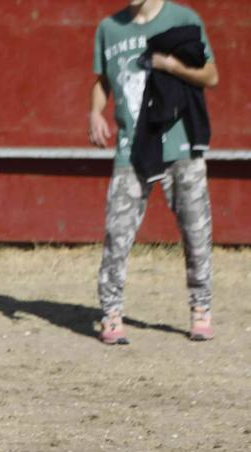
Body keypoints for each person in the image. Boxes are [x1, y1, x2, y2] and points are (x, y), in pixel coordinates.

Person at [88, 0, 219, 345]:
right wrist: (95, 112)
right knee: (117, 233)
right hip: (132, 145)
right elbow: (103, 81)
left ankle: (201, 307)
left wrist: (170, 65)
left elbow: (211, 75)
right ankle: (111, 313)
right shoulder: (109, 28)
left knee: (196, 232)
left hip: (180, 142)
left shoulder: (184, 19)